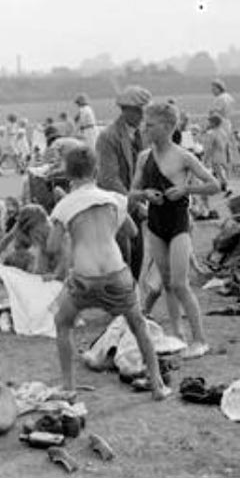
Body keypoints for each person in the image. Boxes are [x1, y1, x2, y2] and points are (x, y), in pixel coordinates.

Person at [46, 145, 171, 400]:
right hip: (116, 274)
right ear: (96, 170)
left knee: (62, 323)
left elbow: (51, 247)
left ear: (68, 174)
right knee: (138, 325)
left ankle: (69, 386)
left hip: (84, 279)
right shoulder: (115, 199)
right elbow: (134, 232)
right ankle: (157, 385)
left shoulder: (65, 205)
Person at [130, 103, 219, 358]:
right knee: (167, 284)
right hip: (156, 224)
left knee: (180, 283)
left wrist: (186, 190)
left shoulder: (184, 156)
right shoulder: (144, 157)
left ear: (168, 127)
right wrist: (144, 194)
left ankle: (200, 339)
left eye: (150, 125)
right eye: (145, 124)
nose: (145, 129)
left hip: (179, 223)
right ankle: (177, 336)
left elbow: (214, 185)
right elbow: (130, 193)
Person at [96, 85, 152, 281]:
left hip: (135, 206)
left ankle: (132, 307)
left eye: (144, 109)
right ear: (126, 110)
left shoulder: (144, 133)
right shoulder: (108, 137)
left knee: (137, 259)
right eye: (139, 110)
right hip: (115, 208)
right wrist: (135, 201)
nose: (144, 114)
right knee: (122, 260)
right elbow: (108, 179)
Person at [209, 78, 240, 172]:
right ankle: (228, 165)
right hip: (227, 123)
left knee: (219, 147)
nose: (212, 91)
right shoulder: (229, 97)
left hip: (219, 123)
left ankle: (219, 167)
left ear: (219, 88)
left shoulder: (220, 99)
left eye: (213, 89)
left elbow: (215, 112)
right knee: (228, 146)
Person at [202, 112, 233, 196]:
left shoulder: (211, 133)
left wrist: (205, 159)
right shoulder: (223, 132)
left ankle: (226, 188)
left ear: (214, 123)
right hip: (223, 156)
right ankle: (221, 187)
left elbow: (209, 148)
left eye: (210, 122)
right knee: (220, 172)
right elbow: (227, 146)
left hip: (215, 157)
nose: (208, 124)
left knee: (219, 173)